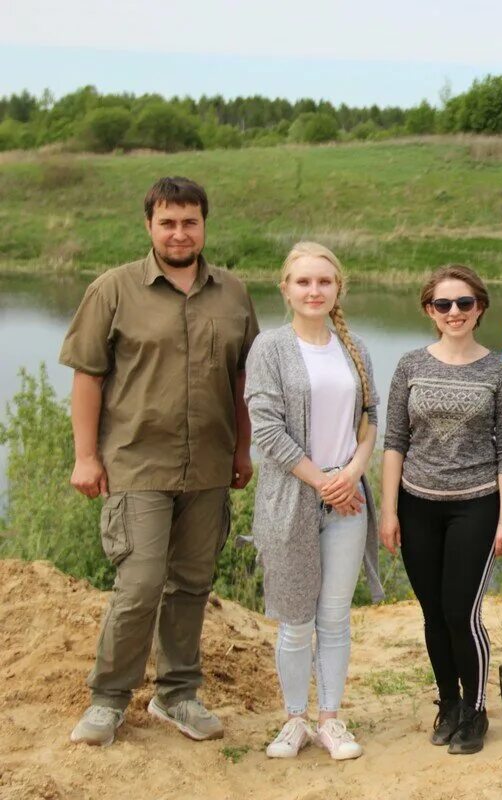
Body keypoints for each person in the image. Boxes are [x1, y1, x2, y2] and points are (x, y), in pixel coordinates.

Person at [61, 177, 259, 747]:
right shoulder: (113, 290)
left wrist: (242, 450)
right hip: (136, 463)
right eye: (167, 222)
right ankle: (108, 699)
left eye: (190, 221)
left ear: (204, 225)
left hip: (209, 468)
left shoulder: (233, 294)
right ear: (148, 225)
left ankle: (178, 694)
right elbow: (88, 377)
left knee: (192, 584)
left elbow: (244, 380)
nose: (179, 232)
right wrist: (84, 457)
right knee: (140, 582)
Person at [245, 242, 382, 761]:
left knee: (334, 616)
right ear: (286, 288)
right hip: (291, 502)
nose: (314, 290)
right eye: (303, 282)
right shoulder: (269, 349)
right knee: (296, 619)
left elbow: (370, 421)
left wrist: (351, 473)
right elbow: (268, 430)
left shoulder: (356, 348)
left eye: (324, 282)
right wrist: (322, 480)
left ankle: (330, 719)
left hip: (349, 501)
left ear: (337, 288)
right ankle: (293, 720)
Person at [379, 265, 502, 755]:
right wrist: (389, 510)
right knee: (433, 613)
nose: (454, 312)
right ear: (429, 311)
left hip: (477, 505)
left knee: (462, 613)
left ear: (480, 307)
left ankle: (477, 710)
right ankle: (449, 703)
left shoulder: (500, 371)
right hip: (417, 504)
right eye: (444, 304)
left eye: (464, 303)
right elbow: (394, 441)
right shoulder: (410, 365)